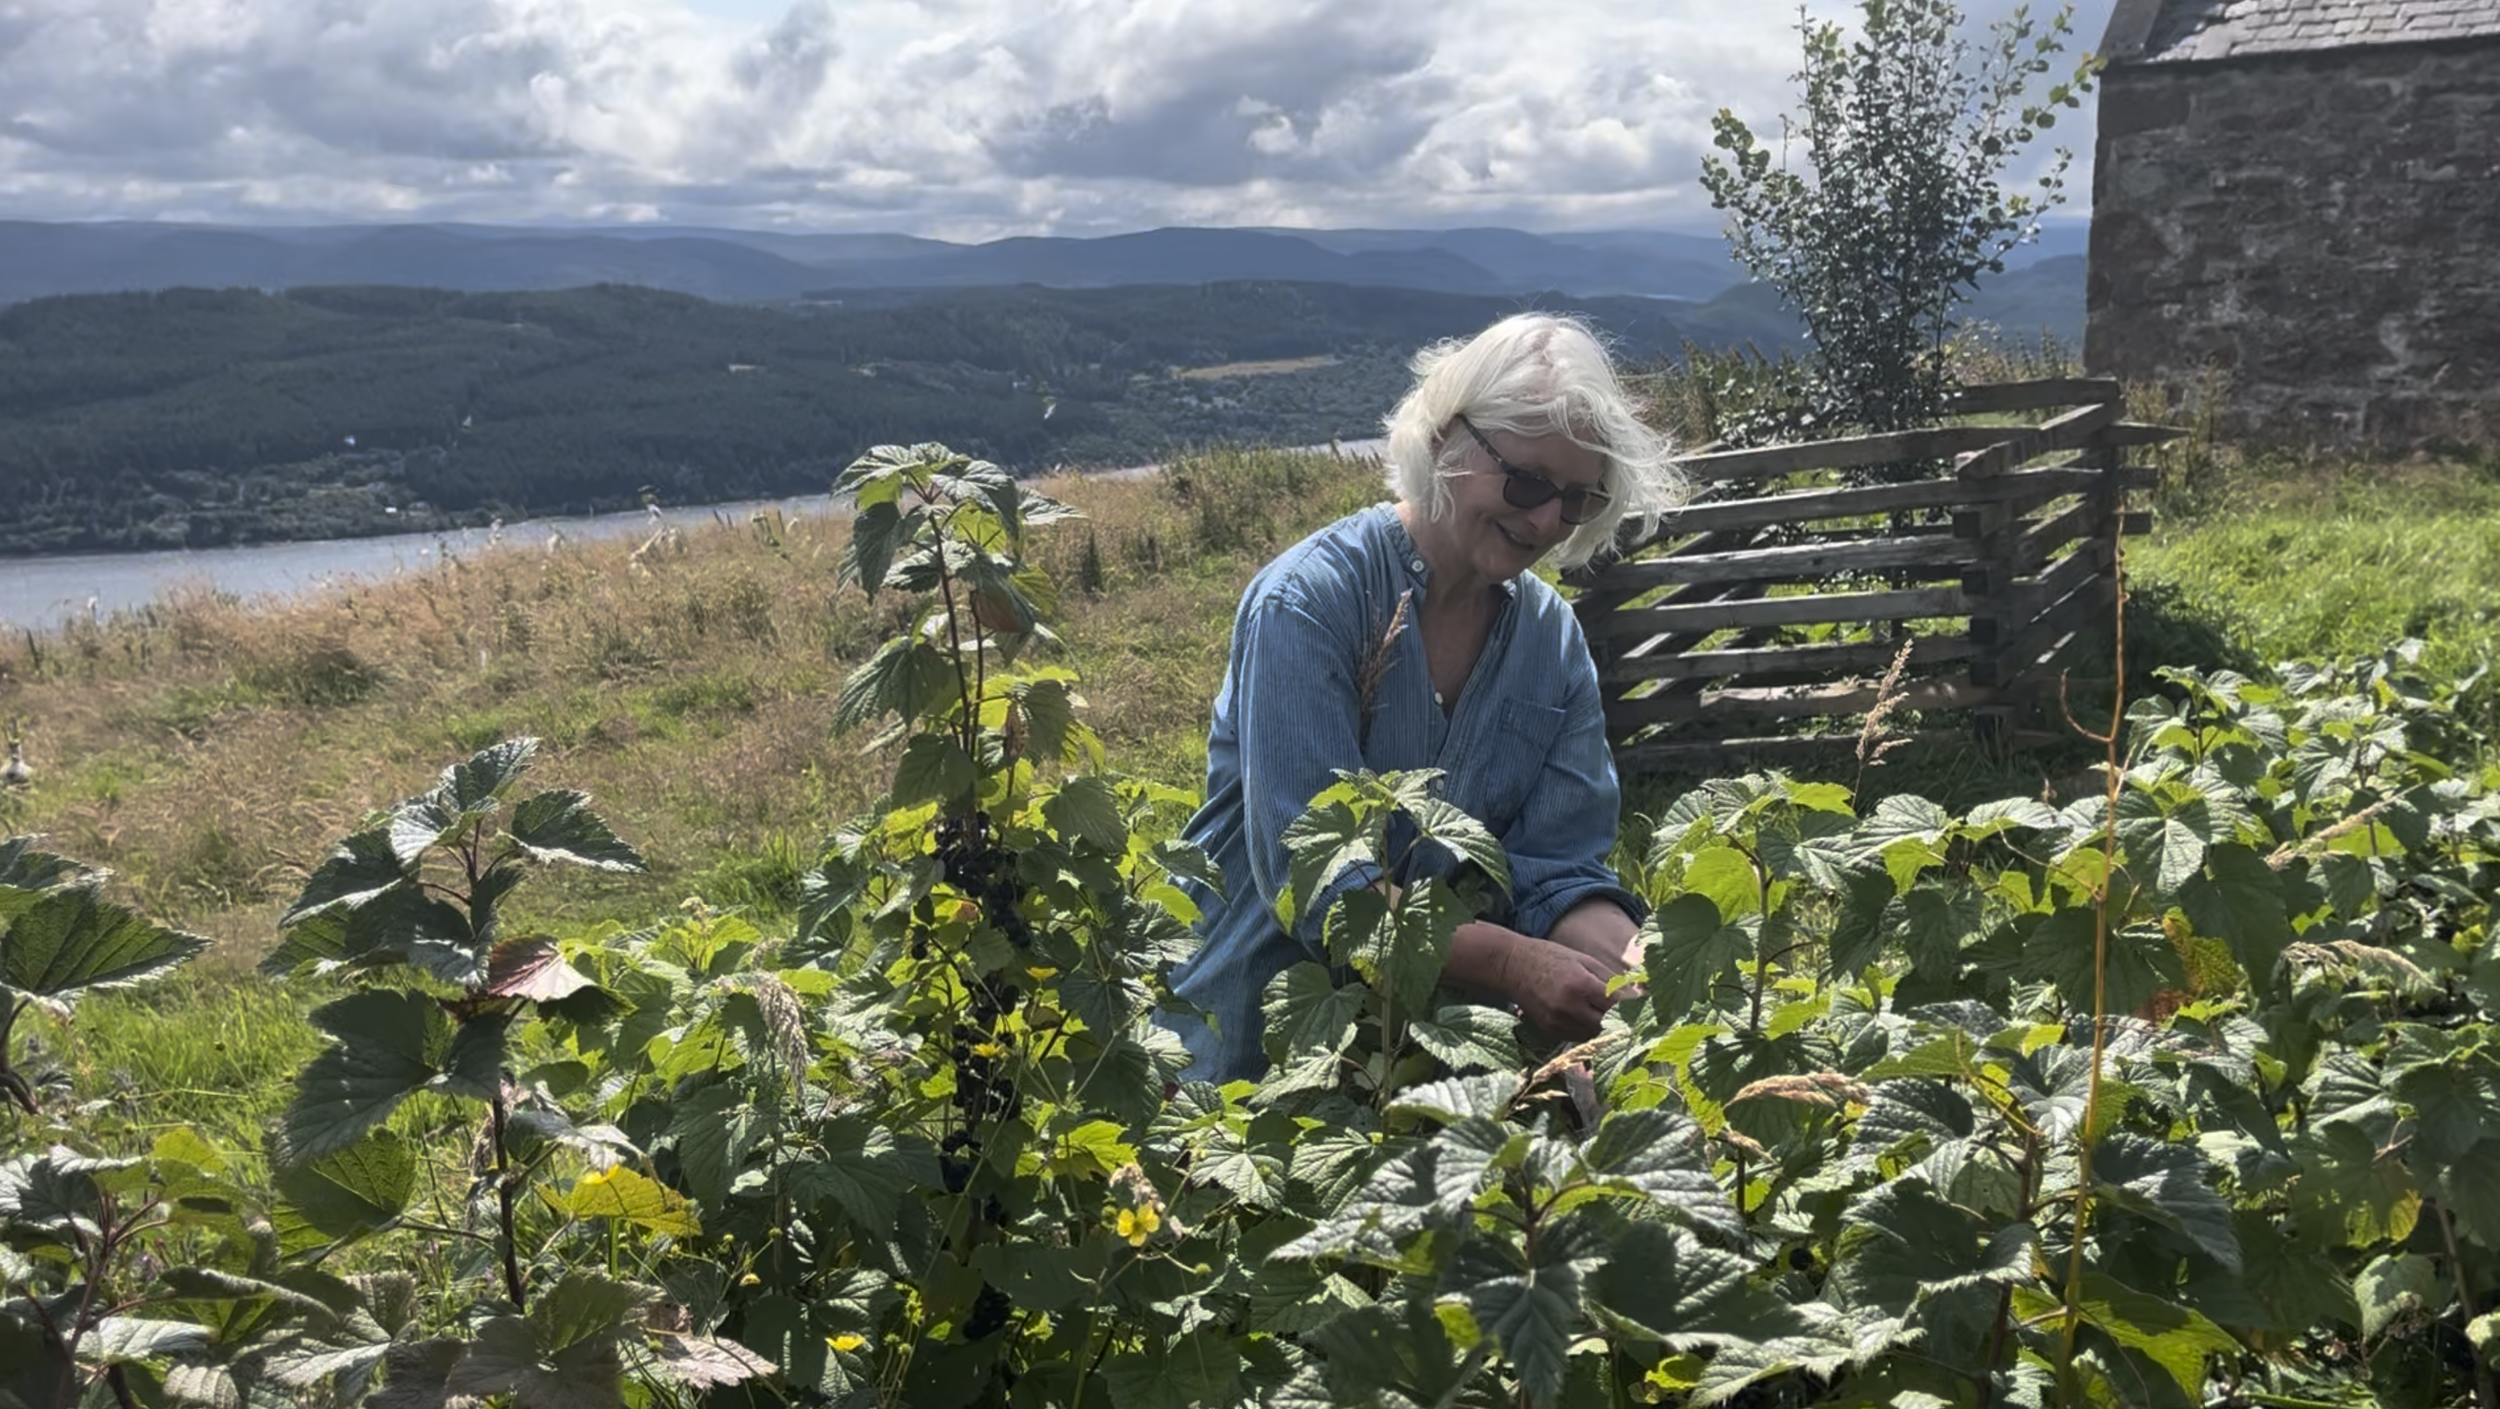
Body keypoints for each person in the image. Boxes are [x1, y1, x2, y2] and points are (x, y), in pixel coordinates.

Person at [1164, 312, 1684, 1083]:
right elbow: (1325, 895)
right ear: (1446, 436)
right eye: (1528, 479)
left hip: (1423, 1071)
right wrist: (1513, 964)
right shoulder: (1308, 606)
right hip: (1249, 1058)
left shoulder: (1552, 641)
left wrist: (1634, 963)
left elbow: (1556, 868)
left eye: (1575, 498)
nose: (1544, 519)